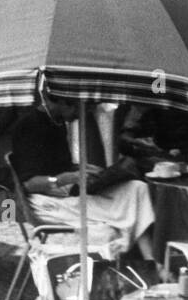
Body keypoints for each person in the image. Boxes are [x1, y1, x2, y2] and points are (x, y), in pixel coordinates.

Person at [10, 99, 154, 263]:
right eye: (80, 109)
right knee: (122, 213)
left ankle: (151, 261)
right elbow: (29, 184)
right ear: (63, 102)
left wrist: (84, 168)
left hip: (66, 191)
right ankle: (148, 264)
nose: (82, 115)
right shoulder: (29, 126)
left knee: (137, 189)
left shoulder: (57, 121)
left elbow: (58, 164)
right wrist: (67, 178)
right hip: (47, 201)